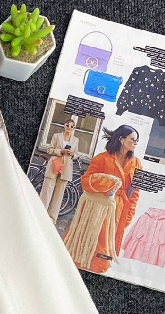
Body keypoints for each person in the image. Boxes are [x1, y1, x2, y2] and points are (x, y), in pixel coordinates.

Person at [64, 125, 141, 274]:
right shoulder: (102, 158)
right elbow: (86, 181)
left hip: (118, 210)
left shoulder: (137, 164)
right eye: (133, 139)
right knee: (85, 241)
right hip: (96, 208)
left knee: (105, 248)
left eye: (137, 140)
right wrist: (109, 184)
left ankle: (96, 271)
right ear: (121, 139)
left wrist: (129, 214)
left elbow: (135, 193)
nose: (135, 142)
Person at [39, 115, 80, 224]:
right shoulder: (57, 136)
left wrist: (72, 154)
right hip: (54, 166)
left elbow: (76, 155)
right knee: (47, 191)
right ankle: (40, 214)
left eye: (72, 126)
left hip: (66, 168)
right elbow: (49, 150)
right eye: (67, 125)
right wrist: (60, 151)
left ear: (74, 128)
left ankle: (52, 218)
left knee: (59, 194)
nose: (69, 128)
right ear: (64, 126)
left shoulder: (75, 140)